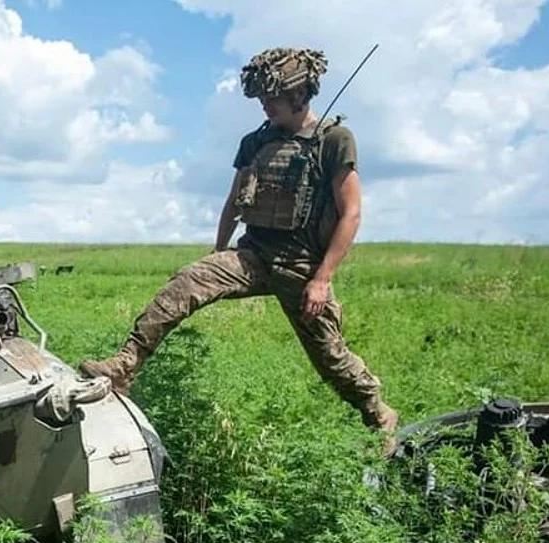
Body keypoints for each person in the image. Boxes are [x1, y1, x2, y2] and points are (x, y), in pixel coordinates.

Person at [80, 47, 399, 449]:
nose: (265, 106)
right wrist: (216, 253)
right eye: (261, 99)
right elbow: (234, 202)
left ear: (300, 96)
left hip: (301, 266)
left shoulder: (333, 140)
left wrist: (322, 279)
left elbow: (350, 214)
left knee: (330, 357)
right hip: (252, 255)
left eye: (273, 98)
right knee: (185, 282)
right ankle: (124, 366)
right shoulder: (255, 142)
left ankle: (378, 412)